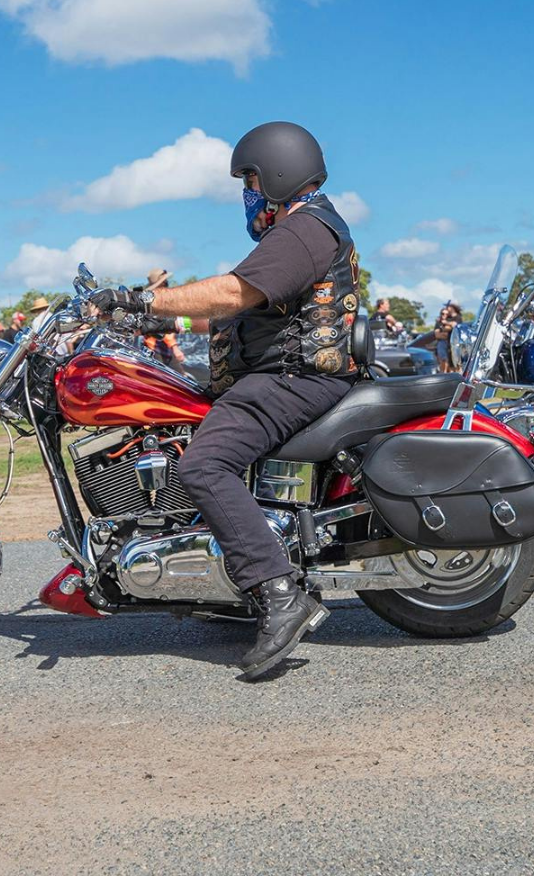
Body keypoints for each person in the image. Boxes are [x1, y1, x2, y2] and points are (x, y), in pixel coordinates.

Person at [92, 121, 359, 679]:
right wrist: (143, 319)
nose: (249, 193)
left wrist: (144, 298)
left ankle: (279, 591)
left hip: (293, 378)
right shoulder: (296, 232)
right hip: (278, 375)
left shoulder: (306, 230)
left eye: (253, 180)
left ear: (279, 173)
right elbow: (224, 311)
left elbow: (233, 292)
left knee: (205, 465)